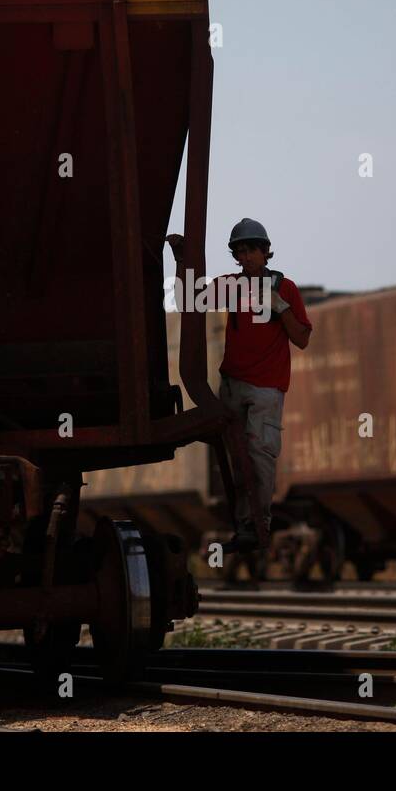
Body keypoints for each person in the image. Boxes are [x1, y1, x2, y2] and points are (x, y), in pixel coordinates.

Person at [166, 219, 312, 551]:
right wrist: (180, 260)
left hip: (266, 389)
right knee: (237, 458)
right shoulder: (232, 285)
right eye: (240, 252)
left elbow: (301, 338)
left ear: (265, 252)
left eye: (250, 251)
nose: (245, 258)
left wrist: (282, 308)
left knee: (260, 456)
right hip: (232, 384)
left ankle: (256, 524)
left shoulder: (283, 288)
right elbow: (188, 300)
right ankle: (243, 525)